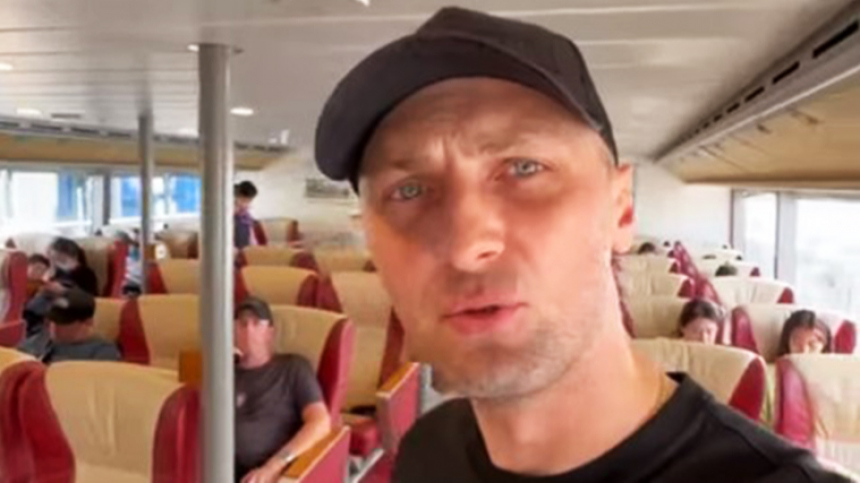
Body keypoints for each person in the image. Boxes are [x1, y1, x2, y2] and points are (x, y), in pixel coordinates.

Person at [314, 7, 846, 482]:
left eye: (523, 168)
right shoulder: (426, 452)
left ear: (621, 210)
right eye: (408, 191)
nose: (464, 244)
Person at [233, 298, 331, 483]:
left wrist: (274, 466)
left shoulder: (293, 368)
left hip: (269, 473)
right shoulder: (223, 373)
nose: (248, 330)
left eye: (256, 323)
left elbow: (320, 423)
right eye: (243, 324)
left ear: (270, 332)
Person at [17, 287, 120, 363]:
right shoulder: (42, 338)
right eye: (53, 320)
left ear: (87, 322)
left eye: (63, 322)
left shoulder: (102, 352)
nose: (55, 327)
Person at [234, 181, 259, 250]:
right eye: (243, 200)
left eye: (248, 201)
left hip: (244, 251)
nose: (245, 205)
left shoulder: (246, 216)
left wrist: (255, 250)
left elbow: (251, 237)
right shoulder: (226, 215)